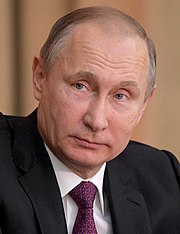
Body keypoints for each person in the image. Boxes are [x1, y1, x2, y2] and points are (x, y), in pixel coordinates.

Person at [0, 6, 179, 234]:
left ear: (144, 104)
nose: (96, 120)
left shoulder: (164, 178)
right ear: (40, 77)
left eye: (120, 95)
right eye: (81, 86)